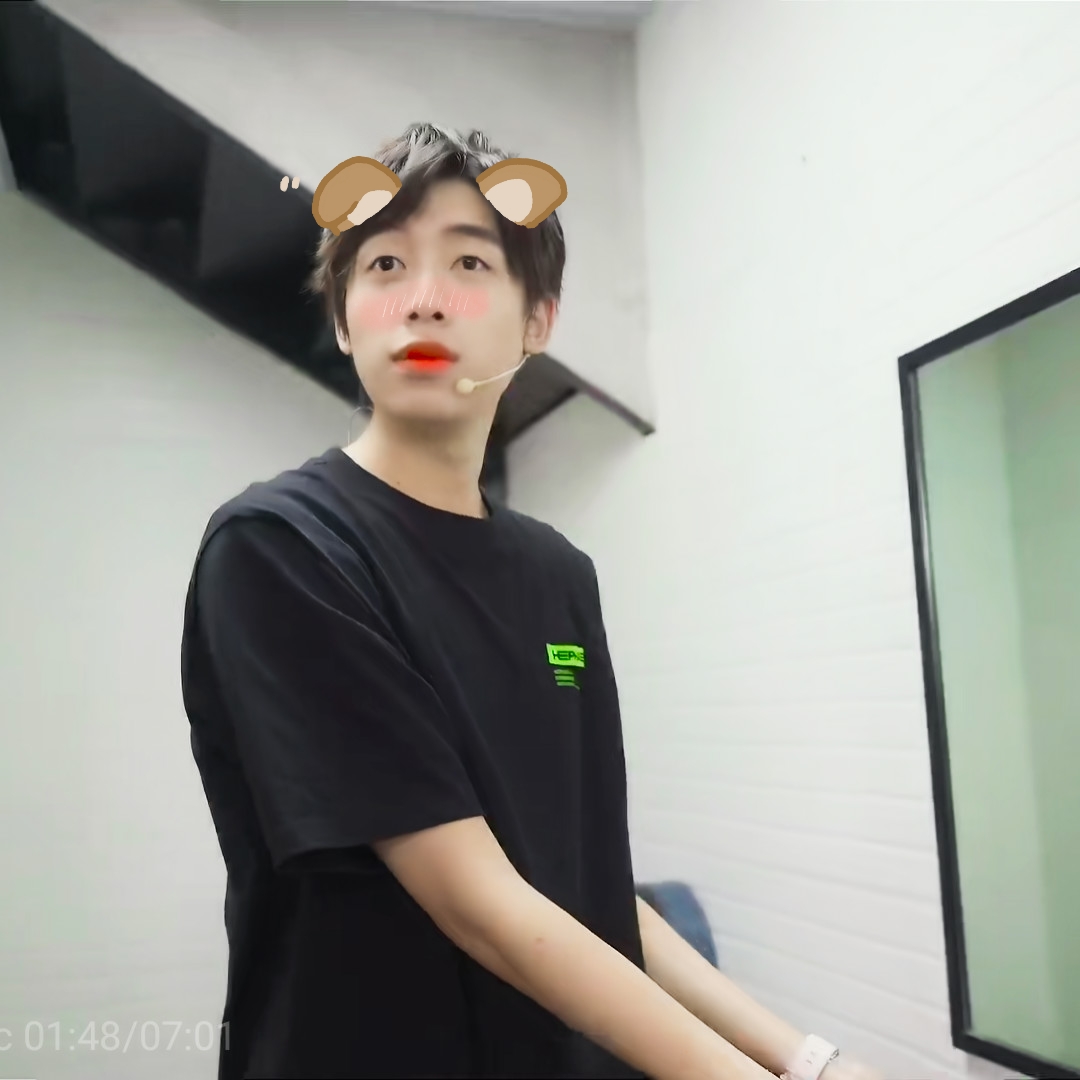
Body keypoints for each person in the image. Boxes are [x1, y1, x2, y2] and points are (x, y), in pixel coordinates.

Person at [180, 122, 885, 1080]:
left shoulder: (558, 574)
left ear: (537, 322)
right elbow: (478, 903)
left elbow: (588, 888)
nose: (425, 300)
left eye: (469, 263)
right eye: (384, 266)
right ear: (345, 320)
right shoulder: (283, 548)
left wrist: (805, 1060)